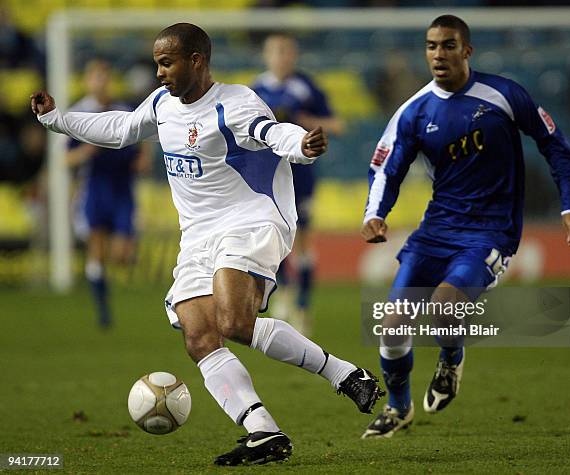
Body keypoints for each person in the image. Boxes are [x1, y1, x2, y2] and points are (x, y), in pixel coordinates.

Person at [31, 23, 383, 466]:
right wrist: (55, 119)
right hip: (198, 233)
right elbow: (121, 128)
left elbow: (272, 134)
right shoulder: (162, 104)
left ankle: (342, 373)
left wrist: (303, 146)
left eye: (166, 62)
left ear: (196, 60)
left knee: (235, 320)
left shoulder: (234, 103)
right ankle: (263, 431)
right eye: (157, 62)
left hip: (251, 218)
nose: (158, 73)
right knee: (199, 333)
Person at [360, 15, 570, 439]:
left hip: (489, 231)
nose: (438, 55)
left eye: (448, 45)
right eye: (431, 46)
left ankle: (450, 359)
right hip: (436, 230)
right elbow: (387, 169)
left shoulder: (504, 94)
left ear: (467, 51)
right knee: (392, 326)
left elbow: (553, 143)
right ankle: (398, 407)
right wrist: (375, 215)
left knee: (445, 307)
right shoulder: (414, 111)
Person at [252, 33, 345, 336]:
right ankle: (285, 294)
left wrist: (307, 121)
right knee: (272, 238)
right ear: (267, 56)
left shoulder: (306, 87)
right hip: (266, 177)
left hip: (301, 176)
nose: (282, 57)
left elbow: (337, 125)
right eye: (276, 51)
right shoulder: (255, 90)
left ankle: (303, 304)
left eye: (286, 51)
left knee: (303, 239)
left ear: (294, 55)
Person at [67, 59, 149, 328]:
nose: (101, 82)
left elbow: (144, 136)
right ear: (87, 81)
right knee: (97, 250)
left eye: (105, 77)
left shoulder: (124, 110)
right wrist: (86, 152)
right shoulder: (78, 114)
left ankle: (105, 286)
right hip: (95, 187)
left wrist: (143, 159)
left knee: (122, 255)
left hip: (122, 186)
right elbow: (66, 158)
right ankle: (103, 311)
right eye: (96, 77)